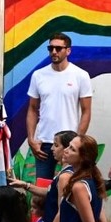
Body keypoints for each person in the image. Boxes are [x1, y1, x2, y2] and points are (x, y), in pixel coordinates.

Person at [26, 33, 93, 180]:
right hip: (44, 143)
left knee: (67, 189)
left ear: (68, 50)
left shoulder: (80, 75)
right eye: (51, 48)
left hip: (69, 144)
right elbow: (32, 109)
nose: (54, 52)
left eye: (58, 48)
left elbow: (86, 111)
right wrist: (31, 139)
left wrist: (77, 141)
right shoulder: (39, 75)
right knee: (42, 193)